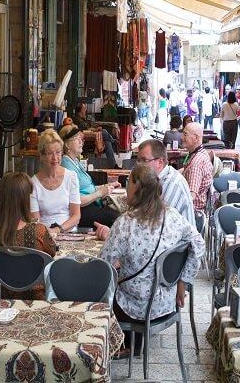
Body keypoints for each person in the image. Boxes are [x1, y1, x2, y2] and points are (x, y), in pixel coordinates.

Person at [96, 164, 204, 329]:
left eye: (128, 184)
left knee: (97, 289)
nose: (126, 189)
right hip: (167, 304)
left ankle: (119, 340)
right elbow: (198, 243)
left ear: (137, 190)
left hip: (133, 309)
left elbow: (104, 266)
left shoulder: (125, 223)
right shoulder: (173, 216)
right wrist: (183, 281)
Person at [0, 172, 57, 299]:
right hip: (36, 300)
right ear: (24, 200)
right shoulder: (39, 231)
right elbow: (51, 253)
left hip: (0, 300)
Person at [59, 124, 120, 228]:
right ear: (67, 145)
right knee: (115, 218)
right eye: (76, 139)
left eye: (81, 138)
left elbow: (87, 188)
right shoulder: (66, 165)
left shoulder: (75, 161)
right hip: (81, 210)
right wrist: (100, 193)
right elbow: (75, 200)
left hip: (92, 204)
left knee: (118, 212)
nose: (81, 142)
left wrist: (106, 186)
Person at [29, 131, 81, 236]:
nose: (55, 158)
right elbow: (35, 221)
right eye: (49, 153)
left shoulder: (71, 177)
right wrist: (49, 233)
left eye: (58, 152)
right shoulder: (33, 183)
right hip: (43, 235)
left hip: (69, 233)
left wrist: (58, 230)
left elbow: (76, 216)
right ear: (42, 156)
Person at [136, 139, 195, 225]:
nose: (139, 165)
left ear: (160, 162)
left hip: (176, 237)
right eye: (138, 160)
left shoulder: (173, 184)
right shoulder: (154, 178)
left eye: (144, 160)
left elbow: (159, 223)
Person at [72, 102, 118, 168]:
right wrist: (95, 130)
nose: (85, 109)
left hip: (91, 135)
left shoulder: (83, 119)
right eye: (84, 108)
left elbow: (88, 128)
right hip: (87, 138)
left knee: (107, 143)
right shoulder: (77, 119)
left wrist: (95, 129)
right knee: (104, 132)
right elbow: (84, 130)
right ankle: (113, 141)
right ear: (80, 110)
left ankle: (113, 165)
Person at [180, 122, 213, 211]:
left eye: (185, 134)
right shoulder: (202, 153)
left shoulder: (196, 163)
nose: (181, 137)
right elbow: (186, 169)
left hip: (192, 213)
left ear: (196, 138)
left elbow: (191, 197)